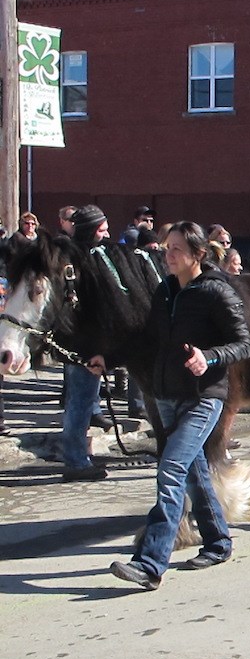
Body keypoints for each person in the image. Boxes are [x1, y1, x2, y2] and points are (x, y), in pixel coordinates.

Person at [100, 221, 250, 590]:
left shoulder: (217, 292)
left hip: (203, 398)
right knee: (194, 473)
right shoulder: (166, 290)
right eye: (167, 248)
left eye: (176, 250)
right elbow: (150, 338)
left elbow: (243, 343)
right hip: (167, 395)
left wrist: (210, 357)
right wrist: (108, 357)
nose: (168, 256)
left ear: (198, 255)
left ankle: (151, 563)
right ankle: (218, 542)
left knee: (170, 469)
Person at [59, 205, 115, 482]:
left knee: (79, 401)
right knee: (80, 403)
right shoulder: (85, 261)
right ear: (93, 230)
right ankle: (76, 461)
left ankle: (77, 456)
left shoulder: (71, 256)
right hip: (85, 344)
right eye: (103, 230)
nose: (107, 235)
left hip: (77, 342)